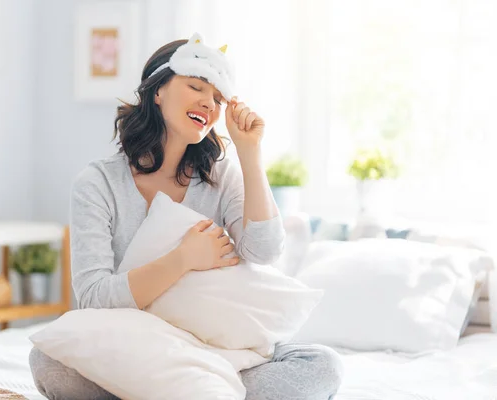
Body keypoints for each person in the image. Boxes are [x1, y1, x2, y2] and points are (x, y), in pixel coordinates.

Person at [29, 33, 343, 400]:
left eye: (217, 98)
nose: (208, 104)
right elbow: (93, 297)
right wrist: (183, 259)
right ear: (157, 90)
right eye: (196, 86)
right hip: (133, 351)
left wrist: (250, 152)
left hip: (213, 350)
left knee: (322, 364)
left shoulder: (220, 175)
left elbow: (264, 251)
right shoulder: (98, 184)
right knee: (49, 360)